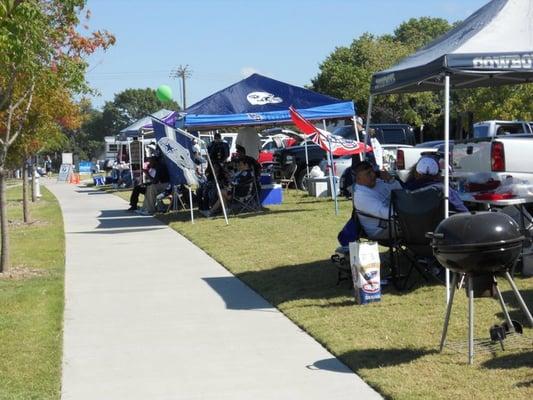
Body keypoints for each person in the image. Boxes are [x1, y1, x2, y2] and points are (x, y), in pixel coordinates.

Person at [352, 160, 402, 239]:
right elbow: (387, 214)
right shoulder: (361, 197)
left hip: (392, 220)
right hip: (380, 229)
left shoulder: (377, 182)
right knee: (415, 225)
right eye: (368, 173)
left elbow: (400, 192)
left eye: (373, 171)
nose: (373, 175)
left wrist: (390, 180)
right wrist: (410, 214)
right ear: (358, 179)